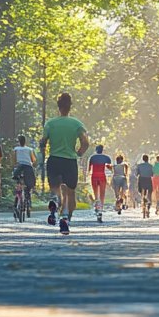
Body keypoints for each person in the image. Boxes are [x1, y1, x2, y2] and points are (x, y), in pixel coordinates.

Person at [39, 93, 90, 235]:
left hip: (54, 159)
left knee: (56, 188)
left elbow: (43, 141)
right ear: (70, 106)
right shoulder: (77, 124)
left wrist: (43, 148)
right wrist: (78, 153)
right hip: (69, 160)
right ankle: (65, 217)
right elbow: (85, 143)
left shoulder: (50, 123)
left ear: (58, 106)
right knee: (70, 192)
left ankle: (55, 200)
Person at [88, 144, 113, 220]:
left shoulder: (92, 158)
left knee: (96, 193)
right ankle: (101, 208)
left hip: (94, 175)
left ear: (96, 150)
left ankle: (97, 205)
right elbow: (109, 167)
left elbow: (89, 169)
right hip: (102, 175)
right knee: (102, 193)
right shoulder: (106, 158)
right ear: (102, 150)